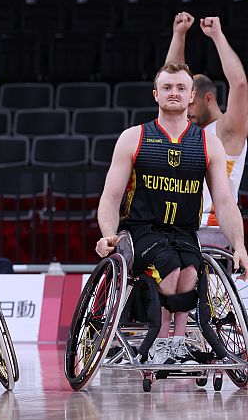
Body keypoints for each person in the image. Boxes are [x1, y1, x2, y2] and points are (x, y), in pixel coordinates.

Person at [95, 62, 248, 367]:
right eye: (167, 87)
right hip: (141, 229)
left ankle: (178, 344)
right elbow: (110, 198)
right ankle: (161, 342)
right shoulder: (133, 137)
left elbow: (225, 202)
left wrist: (240, 246)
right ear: (156, 95)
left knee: (191, 268)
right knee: (170, 265)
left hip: (183, 231)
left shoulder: (208, 143)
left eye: (180, 88)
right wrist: (107, 234)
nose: (174, 93)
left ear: (192, 95)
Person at [165, 13, 248, 247]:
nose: (184, 106)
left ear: (208, 98)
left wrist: (217, 36)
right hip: (180, 228)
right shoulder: (185, 127)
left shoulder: (227, 130)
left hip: (212, 229)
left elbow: (240, 84)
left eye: (190, 101)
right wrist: (179, 34)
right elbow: (171, 78)